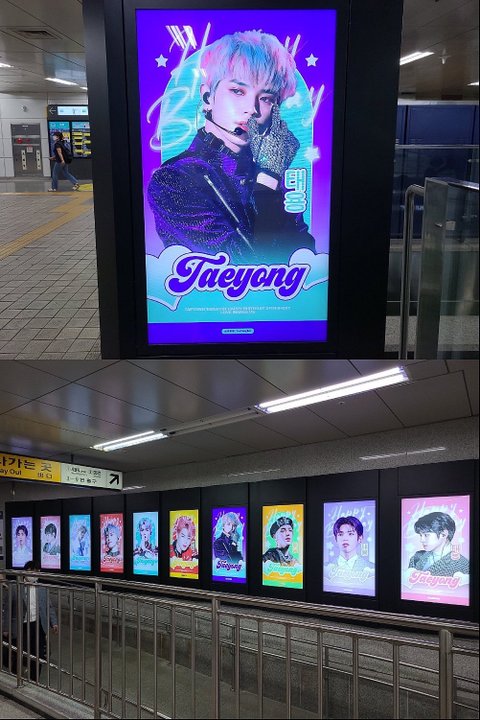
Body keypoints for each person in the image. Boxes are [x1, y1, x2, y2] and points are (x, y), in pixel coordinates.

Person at [148, 30, 315, 263]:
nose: (252, 109)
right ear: (208, 97)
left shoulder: (269, 172)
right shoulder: (174, 179)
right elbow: (241, 263)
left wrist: (269, 176)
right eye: (238, 91)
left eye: (266, 98)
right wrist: (268, 180)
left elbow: (304, 254)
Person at [2, 563, 58, 682]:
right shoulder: (15, 587)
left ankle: (34, 679)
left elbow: (49, 606)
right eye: (31, 571)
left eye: (37, 571)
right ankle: (16, 677)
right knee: (20, 652)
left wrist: (54, 622)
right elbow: (7, 609)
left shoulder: (42, 588)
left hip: (38, 625)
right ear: (25, 572)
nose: (34, 574)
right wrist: (5, 628)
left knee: (38, 654)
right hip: (21, 626)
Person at [408, 512, 469, 577]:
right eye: (421, 535)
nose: (421, 540)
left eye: (426, 535)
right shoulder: (416, 558)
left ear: (443, 534)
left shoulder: (463, 565)